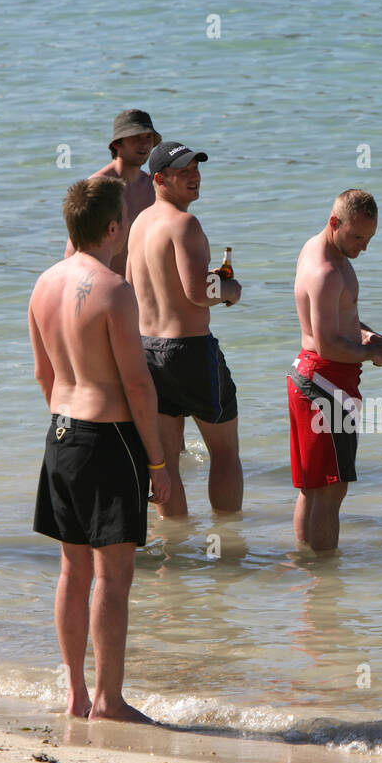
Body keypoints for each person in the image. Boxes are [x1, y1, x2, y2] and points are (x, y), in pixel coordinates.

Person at [29, 176, 172, 723]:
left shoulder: (43, 285)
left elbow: (44, 374)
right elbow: (138, 385)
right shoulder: (114, 290)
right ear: (113, 227)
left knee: (72, 571)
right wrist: (158, 462)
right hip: (109, 438)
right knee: (113, 578)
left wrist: (67, 425)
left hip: (61, 433)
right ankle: (109, 701)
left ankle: (75, 694)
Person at [125, 141, 243, 517]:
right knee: (224, 452)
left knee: (166, 462)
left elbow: (132, 286)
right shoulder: (185, 223)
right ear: (159, 179)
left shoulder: (140, 223)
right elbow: (197, 292)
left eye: (196, 168)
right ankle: (228, 542)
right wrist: (229, 291)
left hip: (148, 349)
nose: (194, 176)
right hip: (190, 351)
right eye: (183, 172)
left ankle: (173, 550)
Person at [288, 189, 382, 552]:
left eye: (369, 238)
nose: (363, 247)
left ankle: (307, 570)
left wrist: (366, 333)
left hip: (309, 379)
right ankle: (324, 582)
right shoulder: (328, 271)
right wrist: (373, 354)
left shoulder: (314, 247)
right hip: (325, 385)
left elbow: (336, 320)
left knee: (312, 488)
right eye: (357, 236)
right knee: (332, 490)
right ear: (335, 222)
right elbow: (327, 344)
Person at [64, 109, 161, 276]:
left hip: (140, 291)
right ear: (117, 144)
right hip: (103, 287)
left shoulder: (153, 187)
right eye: (136, 137)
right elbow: (73, 249)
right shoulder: (98, 187)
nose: (144, 144)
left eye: (148, 137)